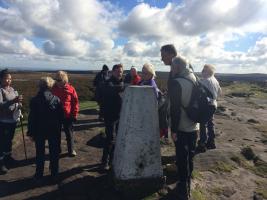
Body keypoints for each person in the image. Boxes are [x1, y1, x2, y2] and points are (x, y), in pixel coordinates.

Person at [168, 56, 199, 200]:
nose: (171, 69)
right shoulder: (195, 78)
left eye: (172, 67)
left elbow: (175, 110)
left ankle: (183, 189)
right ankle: (188, 183)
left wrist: (173, 130)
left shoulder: (176, 83)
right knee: (190, 156)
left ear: (178, 67)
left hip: (181, 126)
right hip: (195, 125)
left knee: (182, 158)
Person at [27, 77, 64, 181]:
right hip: (53, 129)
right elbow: (61, 117)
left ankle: (39, 174)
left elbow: (32, 118)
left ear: (39, 86)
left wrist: (30, 132)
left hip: (39, 130)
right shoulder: (56, 99)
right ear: (51, 86)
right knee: (54, 152)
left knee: (40, 153)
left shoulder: (34, 100)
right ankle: (54, 173)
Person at [101, 64, 124, 170]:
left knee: (118, 138)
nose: (120, 73)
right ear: (113, 72)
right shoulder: (108, 82)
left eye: (121, 71)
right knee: (110, 138)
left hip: (120, 114)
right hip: (110, 115)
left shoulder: (121, 82)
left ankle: (112, 160)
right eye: (118, 71)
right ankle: (104, 162)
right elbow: (111, 89)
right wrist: (124, 87)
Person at [0, 69, 23, 174]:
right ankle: (1, 163)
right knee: (2, 141)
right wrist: (13, 101)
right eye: (6, 78)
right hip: (3, 121)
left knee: (9, 140)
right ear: (1, 79)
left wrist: (19, 105)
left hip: (12, 120)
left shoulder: (12, 89)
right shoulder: (0, 90)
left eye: (10, 78)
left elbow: (15, 103)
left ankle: (8, 158)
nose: (9, 80)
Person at [52, 71, 79, 157]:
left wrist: (74, 114)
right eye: (56, 79)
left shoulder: (71, 89)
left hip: (68, 116)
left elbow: (75, 103)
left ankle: (71, 150)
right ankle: (57, 150)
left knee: (69, 133)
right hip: (55, 115)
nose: (57, 81)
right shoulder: (53, 88)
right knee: (56, 134)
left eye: (59, 80)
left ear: (64, 80)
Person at [196, 64, 222, 153]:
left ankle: (202, 144)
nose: (202, 72)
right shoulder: (215, 80)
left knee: (203, 124)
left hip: (206, 106)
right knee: (210, 123)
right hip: (213, 105)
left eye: (203, 70)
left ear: (207, 71)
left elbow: (198, 93)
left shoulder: (204, 81)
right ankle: (211, 141)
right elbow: (219, 92)